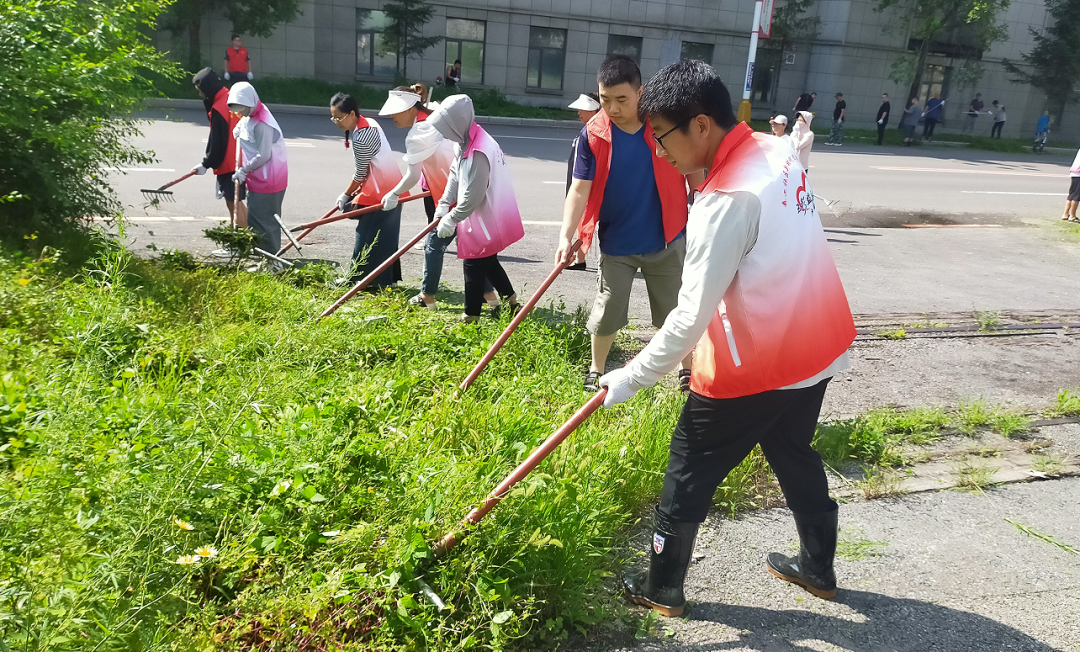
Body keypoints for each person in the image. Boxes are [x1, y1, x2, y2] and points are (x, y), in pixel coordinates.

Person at [600, 59, 855, 618]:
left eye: (661, 136)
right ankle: (819, 569)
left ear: (700, 126)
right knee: (792, 450)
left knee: (689, 466)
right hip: (818, 344)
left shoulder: (726, 202)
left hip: (757, 366)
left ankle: (661, 587)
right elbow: (796, 171)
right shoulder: (774, 148)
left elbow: (689, 319)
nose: (658, 151)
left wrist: (627, 378)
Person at [557, 55, 692, 393]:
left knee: (675, 311)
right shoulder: (593, 134)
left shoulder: (663, 122)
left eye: (622, 99)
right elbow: (579, 188)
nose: (612, 108)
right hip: (618, 243)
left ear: (640, 92)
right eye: (604, 99)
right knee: (608, 310)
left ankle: (687, 371)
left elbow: (692, 168)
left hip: (667, 238)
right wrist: (565, 235)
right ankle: (595, 368)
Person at [378, 84, 498, 309]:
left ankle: (427, 297)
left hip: (453, 196)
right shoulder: (438, 115)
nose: (392, 116)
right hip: (468, 190)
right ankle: (492, 298)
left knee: (434, 245)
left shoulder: (418, 134)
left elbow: (413, 176)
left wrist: (393, 194)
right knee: (475, 251)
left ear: (410, 108)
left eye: (396, 111)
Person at [430, 95, 524, 322]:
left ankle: (471, 317)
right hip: (482, 214)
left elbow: (474, 195)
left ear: (457, 123)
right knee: (488, 260)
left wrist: (451, 218)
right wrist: (444, 202)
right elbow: (454, 172)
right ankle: (512, 303)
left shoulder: (479, 150)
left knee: (473, 264)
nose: (443, 134)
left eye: (446, 127)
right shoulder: (465, 141)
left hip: (486, 215)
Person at [328, 92, 405, 289]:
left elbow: (360, 173)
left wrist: (346, 194)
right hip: (393, 188)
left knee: (366, 233)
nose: (336, 121)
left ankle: (355, 279)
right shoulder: (369, 122)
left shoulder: (362, 136)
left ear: (351, 113)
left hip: (381, 191)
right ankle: (387, 280)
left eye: (339, 117)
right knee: (386, 235)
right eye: (333, 117)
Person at [227, 82, 286, 260]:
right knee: (256, 219)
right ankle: (264, 259)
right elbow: (245, 122)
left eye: (242, 110)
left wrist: (244, 170)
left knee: (264, 222)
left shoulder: (262, 123)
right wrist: (239, 128)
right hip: (258, 177)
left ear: (251, 103)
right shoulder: (252, 113)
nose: (240, 113)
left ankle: (271, 262)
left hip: (269, 179)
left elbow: (264, 155)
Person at [190, 68, 243, 228]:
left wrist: (206, 163)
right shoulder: (230, 98)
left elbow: (217, 141)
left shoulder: (219, 107)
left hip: (229, 163)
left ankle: (241, 241)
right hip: (240, 159)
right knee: (237, 202)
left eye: (201, 91)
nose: (201, 95)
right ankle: (247, 239)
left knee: (233, 204)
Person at [565, 93, 603, 271]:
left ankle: (580, 259)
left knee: (586, 220)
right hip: (580, 183)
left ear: (595, 110)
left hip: (589, 185)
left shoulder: (596, 132)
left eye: (584, 109)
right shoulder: (588, 131)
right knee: (582, 220)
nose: (579, 112)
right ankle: (580, 258)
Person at [1063, 145, 1080, 223]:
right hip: (1079, 173)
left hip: (1074, 171)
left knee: (1072, 194)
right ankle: (1072, 215)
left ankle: (1065, 214)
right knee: (1077, 195)